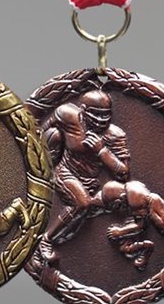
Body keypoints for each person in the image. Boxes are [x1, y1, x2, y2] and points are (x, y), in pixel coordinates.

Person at [38, 90, 130, 261]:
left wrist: (102, 151)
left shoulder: (114, 135)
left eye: (106, 115)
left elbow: (123, 173)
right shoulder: (67, 115)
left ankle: (73, 222)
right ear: (83, 111)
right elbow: (38, 132)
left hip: (92, 182)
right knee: (82, 203)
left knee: (106, 200)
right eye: (95, 114)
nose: (101, 120)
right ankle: (46, 240)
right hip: (64, 170)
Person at [91, 180, 164, 271]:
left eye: (116, 207)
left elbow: (141, 225)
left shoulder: (134, 200)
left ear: (120, 199)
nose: (118, 210)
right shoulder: (129, 189)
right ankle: (145, 247)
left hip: (153, 207)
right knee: (125, 247)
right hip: (145, 210)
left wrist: (120, 231)